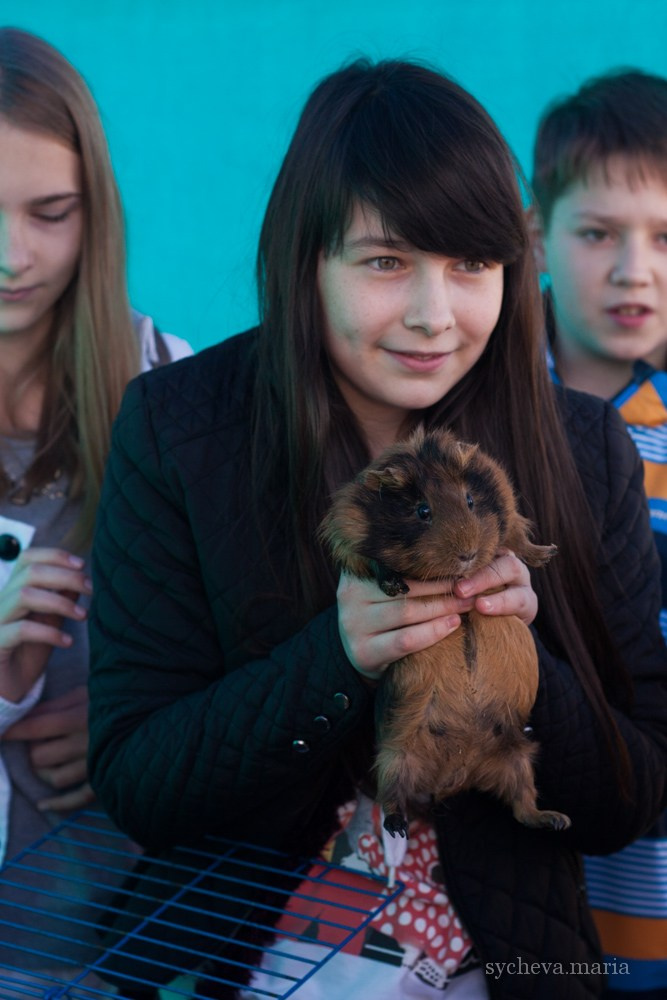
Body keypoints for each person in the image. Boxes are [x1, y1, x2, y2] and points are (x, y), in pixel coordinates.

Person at [88, 59, 667, 1000]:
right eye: (387, 261)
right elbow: (137, 784)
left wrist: (519, 677)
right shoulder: (180, 429)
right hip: (232, 958)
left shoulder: (581, 447)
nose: (434, 316)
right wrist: (335, 659)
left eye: (471, 265)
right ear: (305, 255)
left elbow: (633, 796)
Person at [0, 26, 192, 991]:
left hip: (133, 951)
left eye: (51, 212)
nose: (10, 257)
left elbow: (271, 651)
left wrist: (136, 727)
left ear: (98, 213)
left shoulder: (175, 386)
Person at [531, 68, 667, 1000]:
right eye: (596, 234)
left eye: (665, 236)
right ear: (535, 232)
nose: (635, 270)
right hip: (515, 897)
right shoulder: (476, 413)